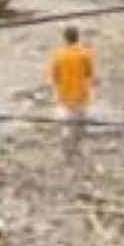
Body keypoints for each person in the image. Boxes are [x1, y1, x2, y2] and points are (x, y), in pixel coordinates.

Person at [48, 24, 95, 159]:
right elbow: (89, 73)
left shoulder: (59, 54)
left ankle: (66, 151)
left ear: (65, 38)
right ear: (77, 38)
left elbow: (54, 76)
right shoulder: (85, 53)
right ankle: (78, 148)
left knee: (66, 124)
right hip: (81, 94)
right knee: (81, 122)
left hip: (65, 94)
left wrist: (56, 90)